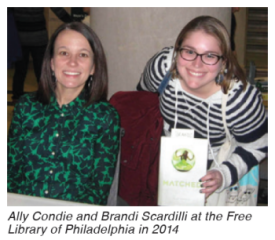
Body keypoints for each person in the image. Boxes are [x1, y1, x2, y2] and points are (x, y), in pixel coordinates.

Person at [137, 16, 267, 204]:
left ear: (224, 62)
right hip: (162, 163)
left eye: (210, 55)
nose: (196, 64)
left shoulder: (239, 100)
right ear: (178, 50)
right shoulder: (162, 68)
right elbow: (142, 99)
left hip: (212, 174)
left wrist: (224, 174)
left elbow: (259, 145)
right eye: (189, 51)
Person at [7, 22, 120, 205]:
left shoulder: (105, 117)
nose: (72, 62)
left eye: (83, 55)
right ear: (51, 63)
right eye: (64, 53)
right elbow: (10, 173)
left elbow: (98, 190)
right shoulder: (26, 107)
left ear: (93, 67)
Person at [11, 7, 73, 102]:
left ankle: (16, 96)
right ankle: (45, 96)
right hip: (38, 37)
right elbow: (57, 10)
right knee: (41, 69)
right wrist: (73, 22)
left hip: (20, 38)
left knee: (20, 70)